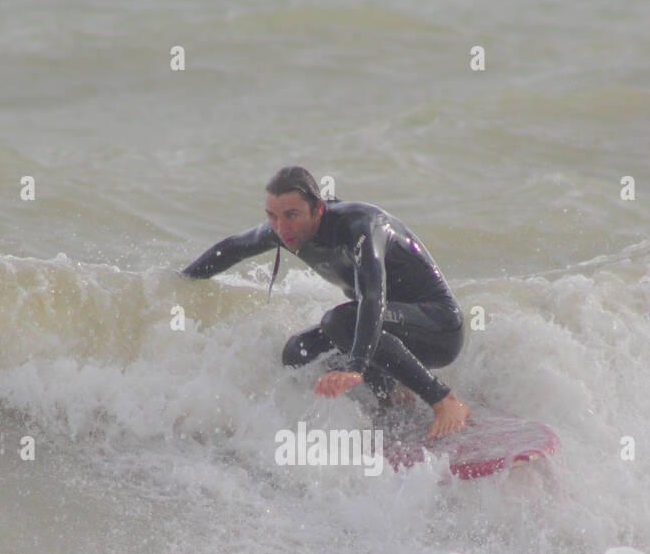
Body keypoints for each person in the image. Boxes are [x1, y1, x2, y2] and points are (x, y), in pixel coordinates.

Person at [181, 166, 471, 439]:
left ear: (317, 209)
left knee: (341, 322)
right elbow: (231, 249)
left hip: (439, 329)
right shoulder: (286, 229)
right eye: (272, 216)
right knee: (298, 353)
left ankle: (443, 399)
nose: (281, 228)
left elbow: (373, 297)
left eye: (291, 215)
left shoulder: (364, 226)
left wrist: (355, 367)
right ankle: (392, 399)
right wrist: (180, 282)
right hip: (390, 329)